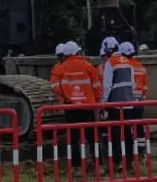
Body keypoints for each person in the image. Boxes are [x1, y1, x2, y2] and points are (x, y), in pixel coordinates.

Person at [49, 41, 100, 174]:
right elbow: (97, 87)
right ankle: (98, 166)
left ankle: (76, 168)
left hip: (71, 108)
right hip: (88, 107)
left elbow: (55, 87)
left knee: (73, 139)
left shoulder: (59, 68)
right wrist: (98, 103)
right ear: (77, 52)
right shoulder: (88, 66)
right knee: (92, 137)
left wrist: (64, 97)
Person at [99, 36, 136, 172]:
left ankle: (118, 161)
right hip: (128, 103)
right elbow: (132, 84)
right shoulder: (127, 61)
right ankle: (130, 162)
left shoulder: (110, 63)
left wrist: (103, 104)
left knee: (115, 133)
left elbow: (107, 86)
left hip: (115, 104)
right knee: (127, 133)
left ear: (108, 50)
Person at [119, 42, 148, 157]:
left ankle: (129, 153)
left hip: (127, 102)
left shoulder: (123, 66)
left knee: (126, 128)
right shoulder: (141, 67)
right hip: (139, 102)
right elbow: (145, 88)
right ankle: (142, 151)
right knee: (139, 127)